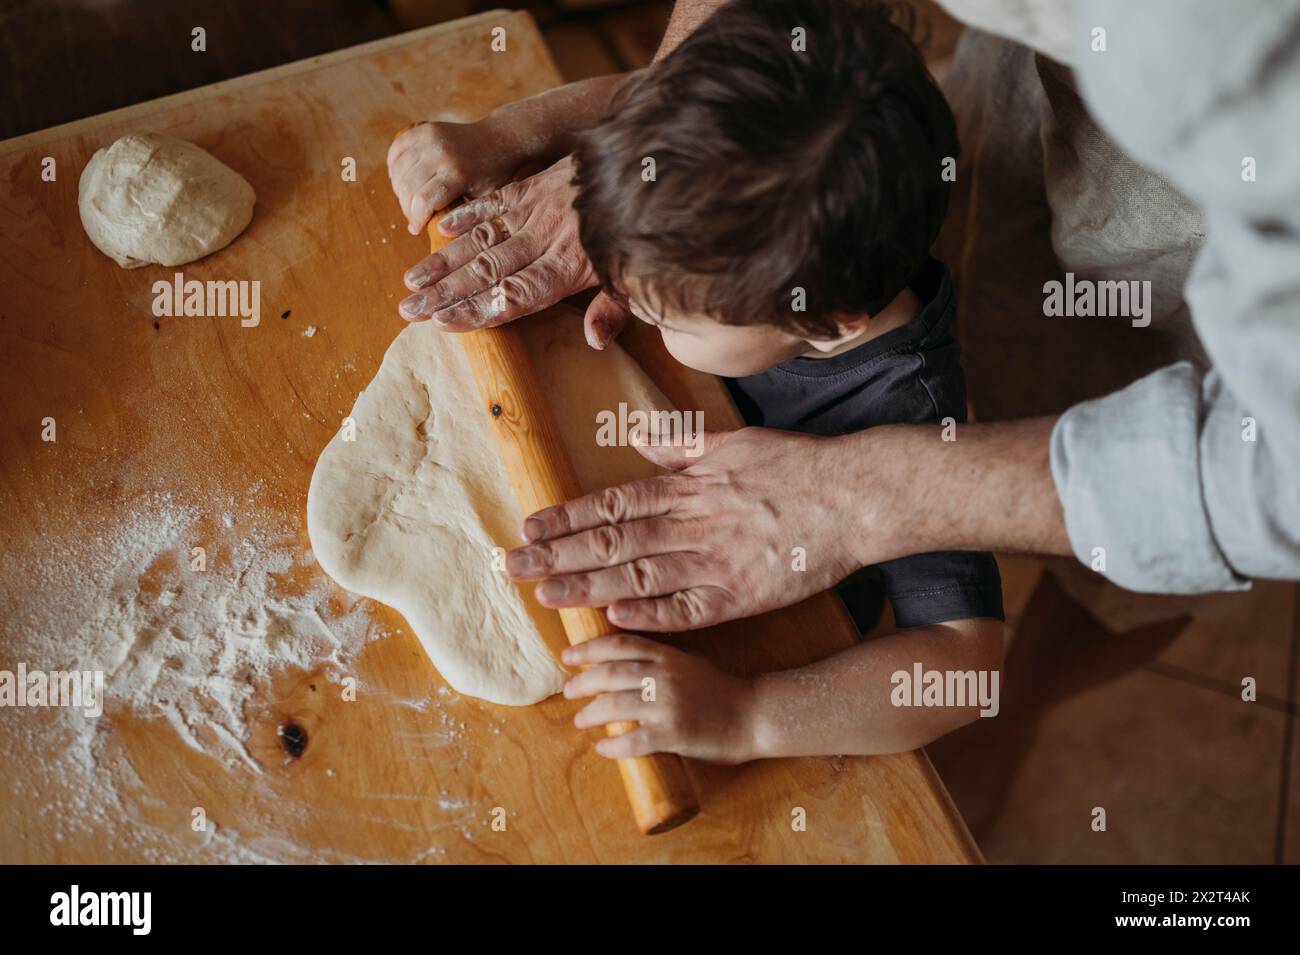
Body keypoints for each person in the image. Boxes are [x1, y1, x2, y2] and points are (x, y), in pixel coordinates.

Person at [387, 0, 1300, 638]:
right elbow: (752, 80)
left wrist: (747, 715)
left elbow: (962, 655)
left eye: (670, 310)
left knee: (1095, 589)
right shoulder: (857, 157)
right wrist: (569, 157)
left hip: (1191, 231)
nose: (627, 307)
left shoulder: (907, 401)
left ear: (824, 322)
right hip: (1034, 102)